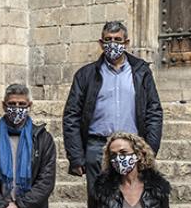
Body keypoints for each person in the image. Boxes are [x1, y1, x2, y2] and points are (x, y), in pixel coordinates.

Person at [62, 20, 164, 194]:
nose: (113, 44)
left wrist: (149, 150)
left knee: (130, 199)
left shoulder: (141, 71)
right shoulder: (86, 75)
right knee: (98, 203)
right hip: (97, 148)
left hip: (132, 147)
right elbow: (72, 115)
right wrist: (76, 157)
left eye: (117, 40)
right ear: (101, 43)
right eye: (108, 39)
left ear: (126, 43)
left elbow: (154, 111)